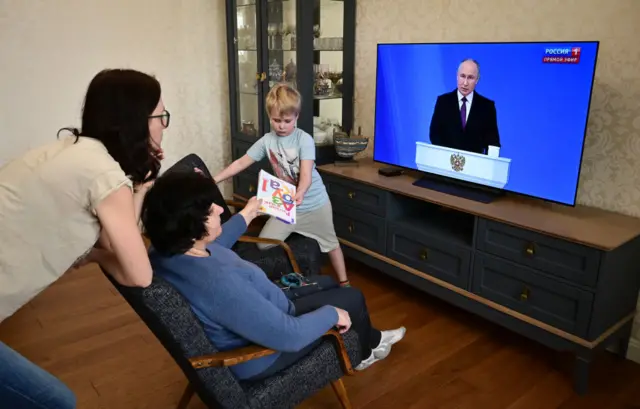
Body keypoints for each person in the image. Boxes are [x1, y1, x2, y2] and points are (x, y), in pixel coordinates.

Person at [0, 68, 168, 408]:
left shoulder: (74, 150)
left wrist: (140, 186)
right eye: (161, 116)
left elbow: (109, 239)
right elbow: (139, 274)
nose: (164, 124)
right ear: (137, 121)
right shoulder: (104, 174)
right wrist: (91, 257)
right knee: (56, 402)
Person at [141, 170, 406, 380]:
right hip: (263, 354)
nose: (221, 209)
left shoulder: (170, 252)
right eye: (211, 211)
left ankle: (373, 339)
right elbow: (289, 336)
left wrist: (248, 213)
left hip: (269, 303)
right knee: (352, 298)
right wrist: (331, 314)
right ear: (189, 226)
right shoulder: (219, 285)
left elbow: (217, 248)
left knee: (327, 282)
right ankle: (366, 352)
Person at [213, 83, 352, 287]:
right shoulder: (267, 141)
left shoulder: (304, 140)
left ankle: (344, 281)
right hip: (286, 206)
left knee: (331, 244)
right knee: (263, 245)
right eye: (276, 120)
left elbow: (305, 174)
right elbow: (241, 162)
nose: (281, 125)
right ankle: (294, 266)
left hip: (314, 204)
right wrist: (214, 179)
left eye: (287, 121)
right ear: (270, 116)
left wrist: (302, 191)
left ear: (297, 117)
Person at [428, 58, 501, 155]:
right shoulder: (443, 102)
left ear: (477, 80)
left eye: (470, 77)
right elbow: (434, 134)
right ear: (457, 76)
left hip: (475, 167)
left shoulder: (487, 107)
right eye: (462, 76)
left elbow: (493, 143)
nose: (465, 83)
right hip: (445, 164)